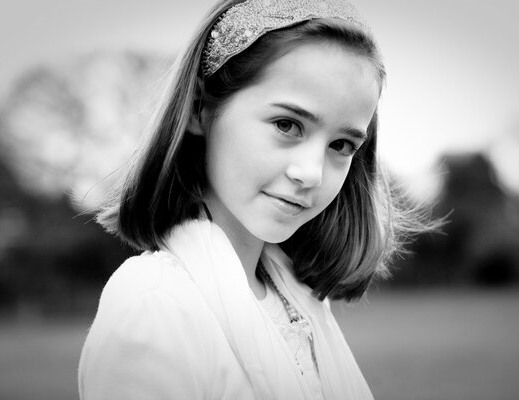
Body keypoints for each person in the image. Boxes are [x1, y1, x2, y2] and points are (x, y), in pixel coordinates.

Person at [78, 0, 422, 398]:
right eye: (287, 124)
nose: (310, 172)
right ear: (200, 111)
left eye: (341, 145)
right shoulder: (155, 305)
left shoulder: (298, 298)